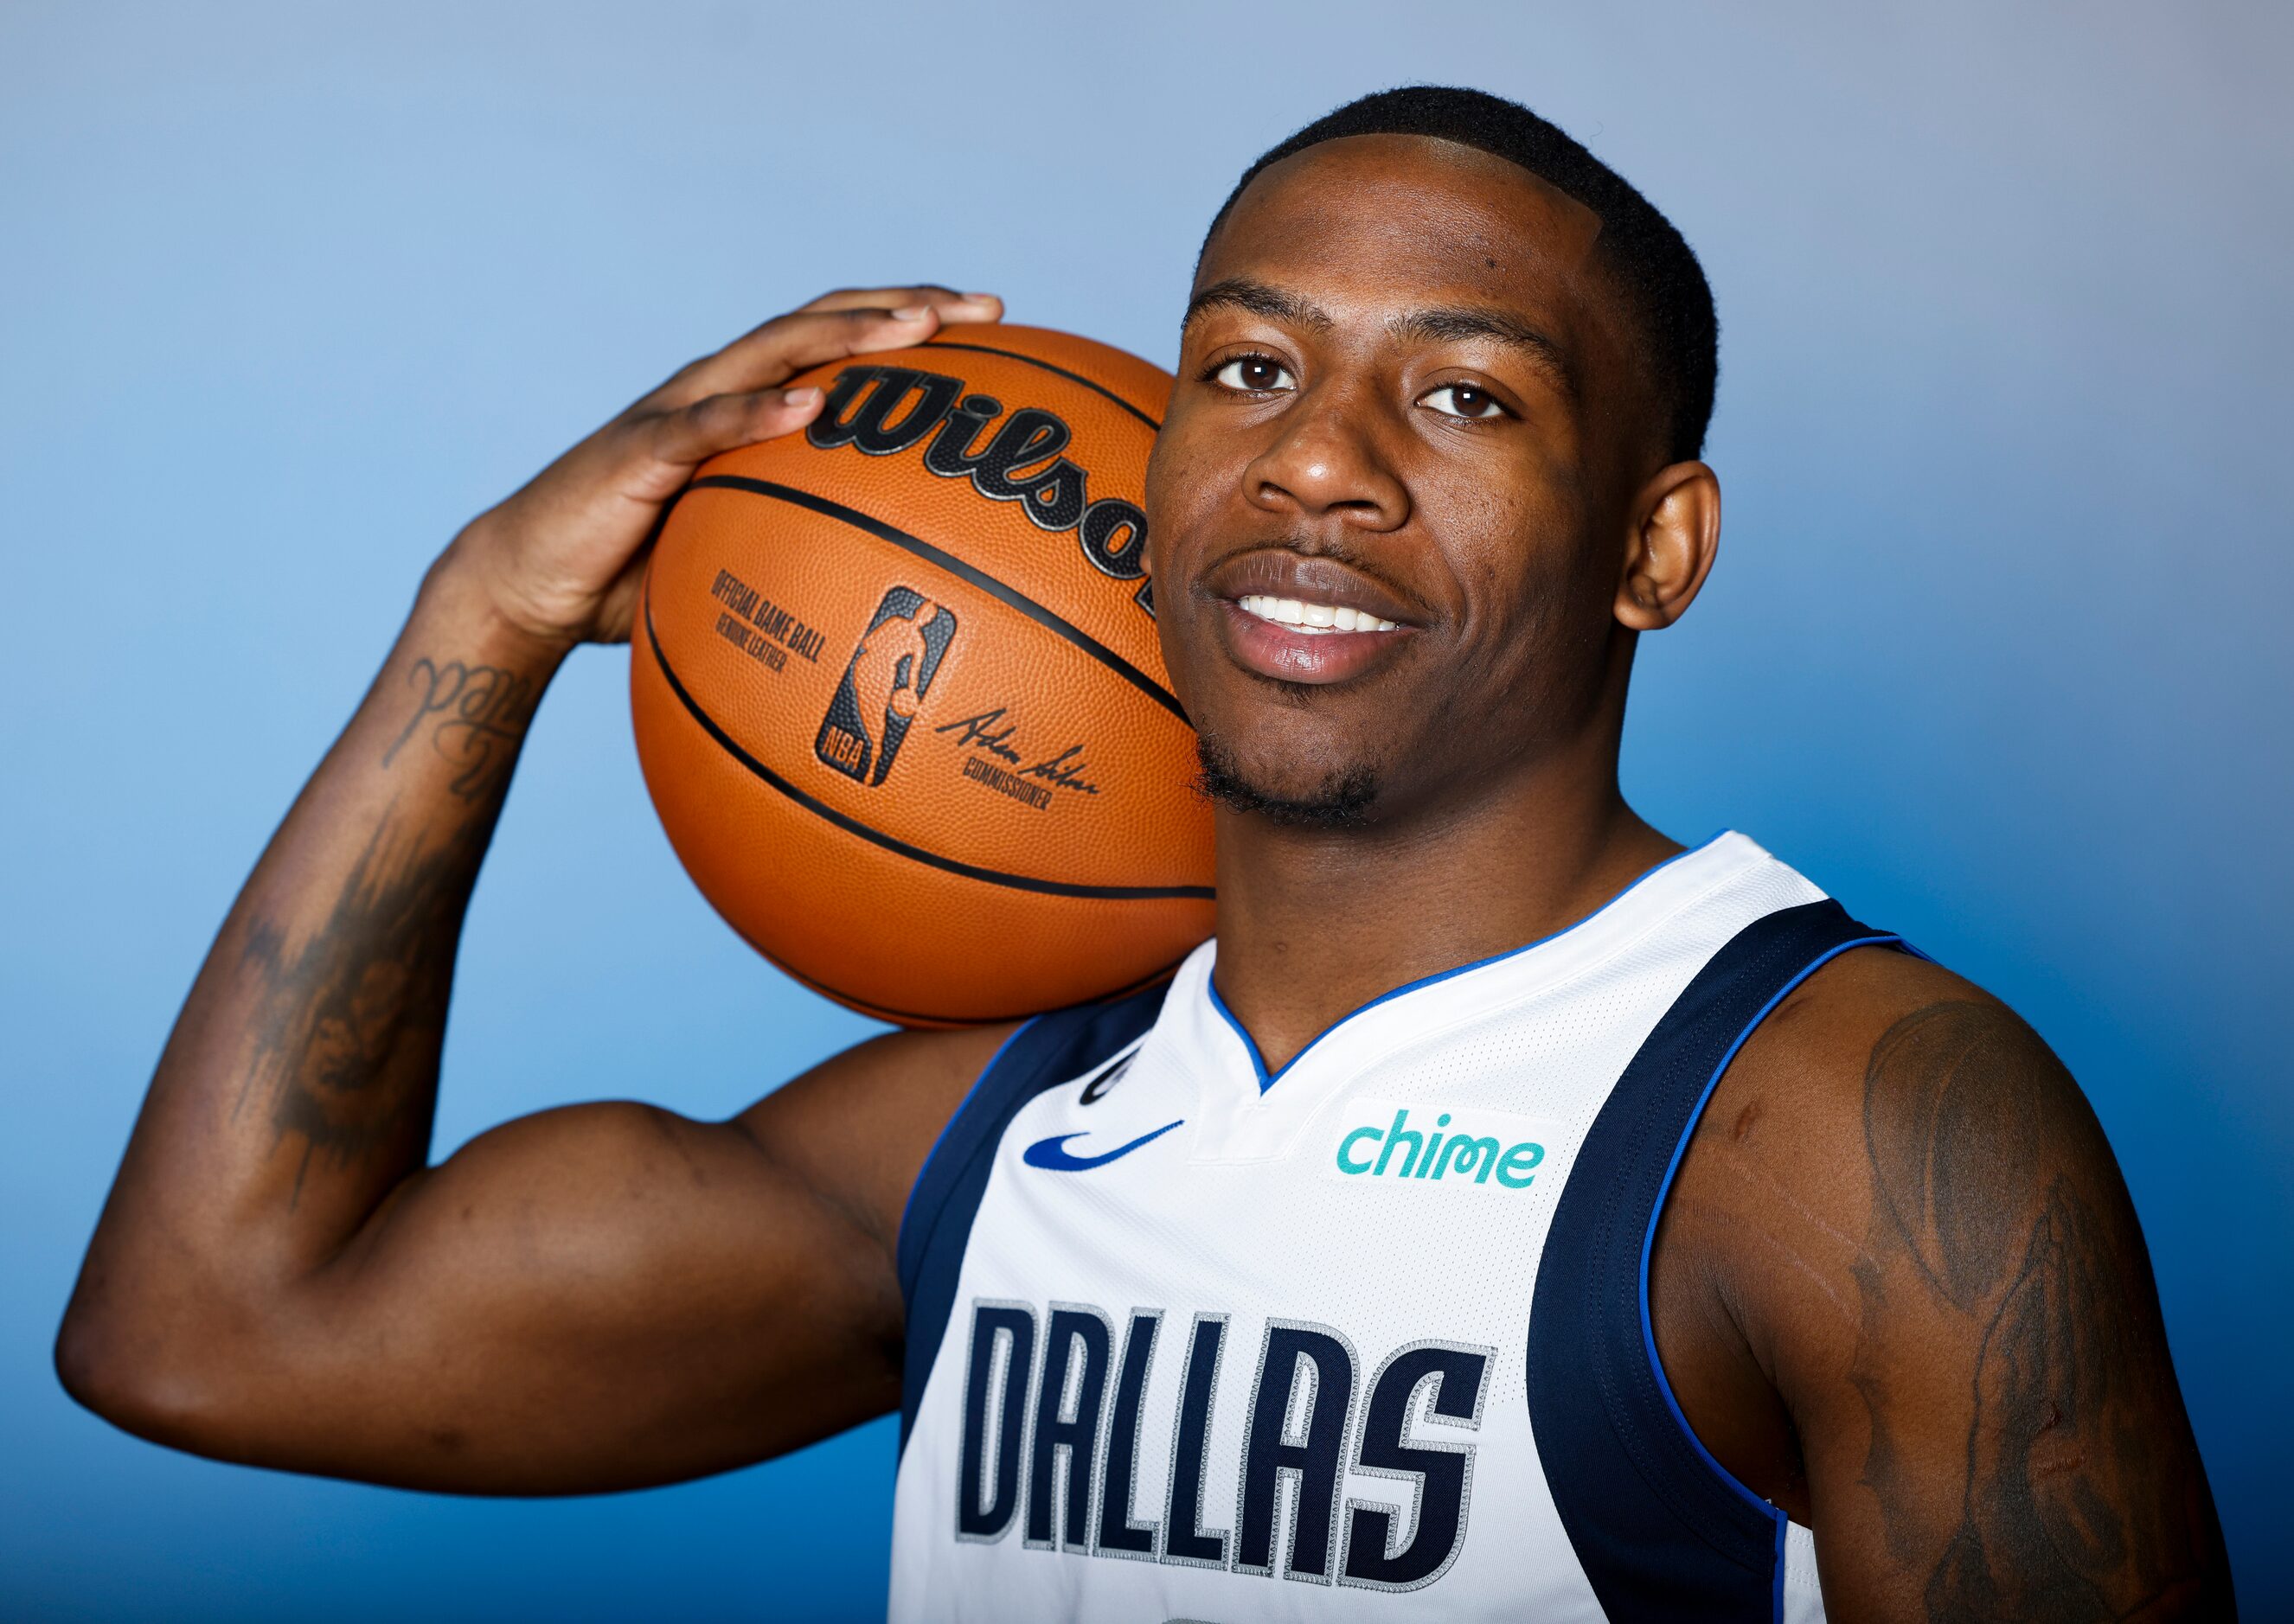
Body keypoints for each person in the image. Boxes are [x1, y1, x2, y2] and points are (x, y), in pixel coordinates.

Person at [56, 86, 2232, 1621]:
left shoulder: (1843, 1125)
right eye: (1250, 365)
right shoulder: (991, 1132)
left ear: (1651, 548)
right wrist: (487, 618)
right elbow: (216, 1329)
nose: (1321, 466)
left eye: (1466, 396)